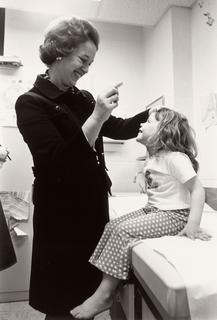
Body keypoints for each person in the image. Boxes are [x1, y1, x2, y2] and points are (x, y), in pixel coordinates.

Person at [15, 16, 150, 319]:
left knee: (91, 296)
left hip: (92, 206)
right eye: (83, 59)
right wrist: (97, 116)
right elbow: (57, 163)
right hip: (61, 214)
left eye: (91, 62)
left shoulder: (83, 98)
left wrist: (158, 115)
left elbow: (121, 127)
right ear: (59, 52)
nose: (87, 68)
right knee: (63, 300)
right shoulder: (30, 103)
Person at [70, 107, 211, 320]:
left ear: (164, 130)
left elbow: (197, 189)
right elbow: (158, 176)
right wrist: (140, 175)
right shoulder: (154, 156)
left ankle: (105, 294)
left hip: (174, 215)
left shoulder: (175, 157)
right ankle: (108, 283)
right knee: (111, 226)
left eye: (149, 121)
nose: (142, 124)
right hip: (154, 210)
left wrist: (193, 223)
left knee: (123, 231)